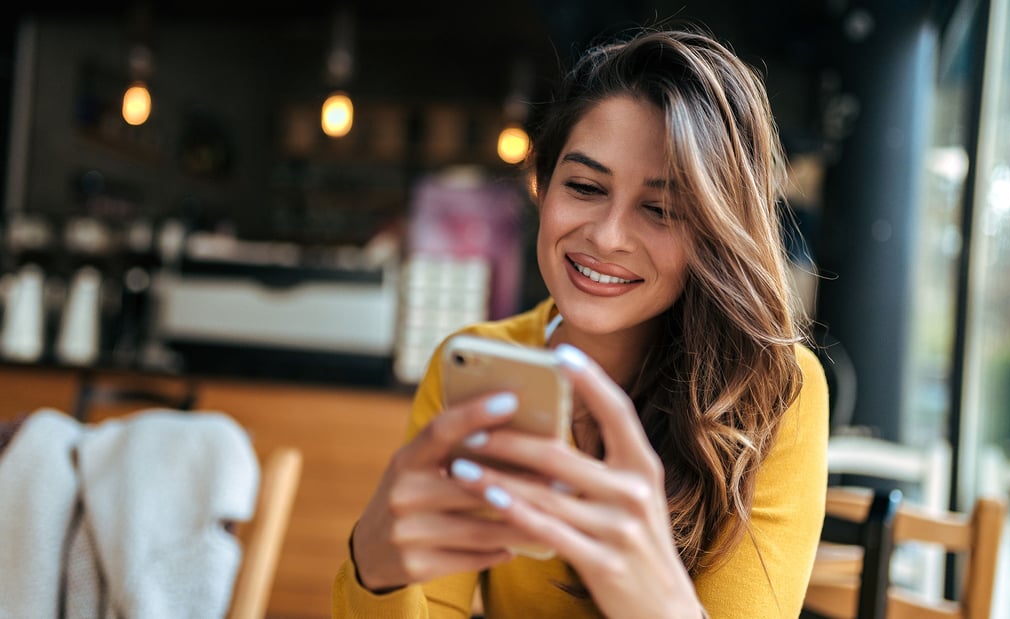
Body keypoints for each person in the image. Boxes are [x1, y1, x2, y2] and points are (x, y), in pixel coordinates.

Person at [333, 24, 829, 618]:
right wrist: (375, 574)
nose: (606, 236)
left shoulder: (775, 391)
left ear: (714, 235)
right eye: (586, 187)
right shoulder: (477, 366)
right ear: (542, 185)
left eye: (661, 209)